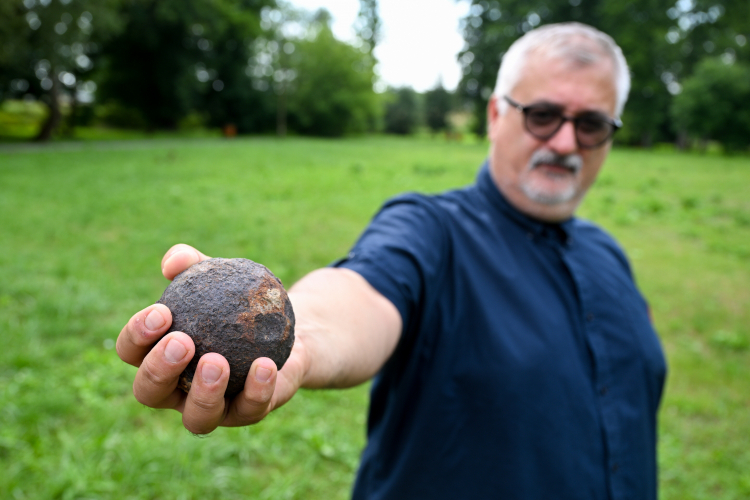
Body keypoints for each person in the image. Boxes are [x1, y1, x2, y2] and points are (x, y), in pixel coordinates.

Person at [117, 22, 666, 500]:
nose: (567, 142)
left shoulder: (609, 256)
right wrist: (301, 338)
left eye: (592, 124)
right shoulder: (431, 229)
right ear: (497, 114)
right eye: (543, 115)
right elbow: (360, 295)